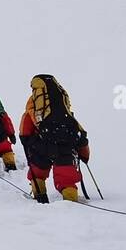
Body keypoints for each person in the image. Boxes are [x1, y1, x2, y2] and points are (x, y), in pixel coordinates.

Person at [19, 75, 90, 203]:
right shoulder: (61, 99)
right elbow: (74, 124)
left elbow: (26, 120)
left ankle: (40, 198)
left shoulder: (34, 100)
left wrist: (25, 139)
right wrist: (84, 153)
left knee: (38, 172)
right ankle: (71, 202)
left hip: (42, 141)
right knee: (66, 176)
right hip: (66, 142)